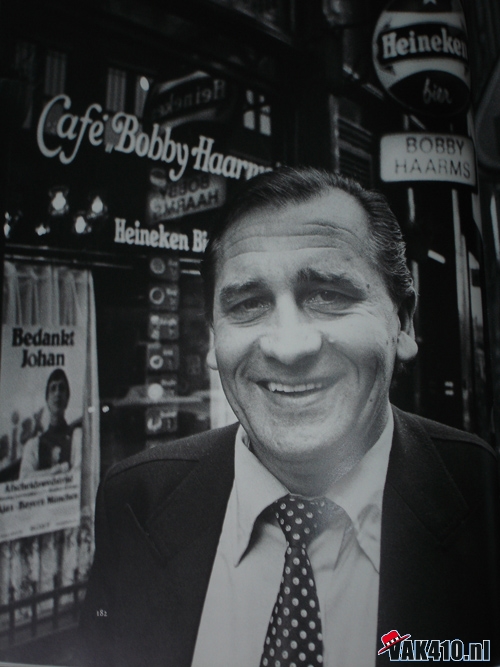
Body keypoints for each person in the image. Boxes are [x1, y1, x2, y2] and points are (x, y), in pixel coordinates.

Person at [79, 168, 499, 667]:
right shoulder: (135, 501)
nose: (289, 346)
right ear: (213, 339)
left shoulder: (484, 499)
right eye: (249, 304)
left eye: (329, 295)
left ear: (402, 322)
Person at [19, 368, 82, 478]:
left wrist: (41, 475)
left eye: (61, 388)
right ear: (47, 399)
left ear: (67, 399)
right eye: (53, 388)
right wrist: (60, 469)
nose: (57, 393)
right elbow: (25, 479)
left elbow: (78, 474)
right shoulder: (33, 445)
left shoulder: (77, 437)